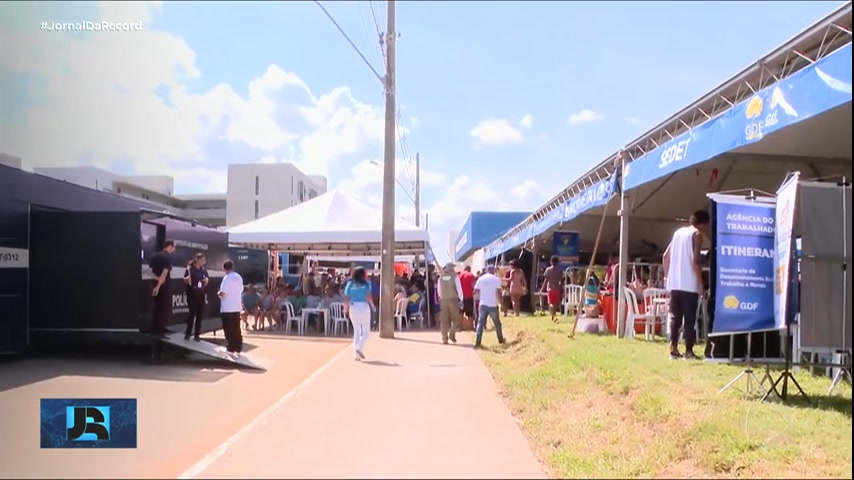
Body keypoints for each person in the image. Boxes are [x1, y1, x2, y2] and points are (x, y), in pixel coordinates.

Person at [662, 209, 710, 360]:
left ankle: (673, 349)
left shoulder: (678, 233)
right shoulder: (696, 235)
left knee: (675, 317)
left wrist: (666, 276)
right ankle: (689, 351)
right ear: (703, 224)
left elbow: (665, 256)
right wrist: (701, 282)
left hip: (674, 282)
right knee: (689, 319)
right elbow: (695, 261)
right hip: (689, 283)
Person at [344, 266, 373, 361]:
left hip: (353, 306)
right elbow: (368, 297)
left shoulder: (350, 284)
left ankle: (356, 355)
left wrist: (345, 309)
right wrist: (373, 306)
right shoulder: (367, 284)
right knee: (366, 331)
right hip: (364, 307)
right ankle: (358, 348)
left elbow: (347, 298)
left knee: (357, 331)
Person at [474, 265, 506, 348]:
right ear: (493, 270)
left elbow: (476, 290)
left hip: (483, 304)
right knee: (497, 323)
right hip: (493, 304)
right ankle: (500, 339)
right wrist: (501, 302)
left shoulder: (481, 279)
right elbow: (498, 292)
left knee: (480, 324)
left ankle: (478, 342)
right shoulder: (496, 279)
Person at [149, 240, 175, 338]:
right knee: (163, 309)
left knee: (156, 307)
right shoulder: (167, 257)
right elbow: (164, 274)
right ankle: (159, 331)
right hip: (163, 286)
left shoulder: (155, 256)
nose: (174, 249)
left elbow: (149, 271)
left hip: (154, 283)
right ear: (170, 246)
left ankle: (154, 328)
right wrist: (158, 286)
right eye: (173, 247)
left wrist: (156, 280)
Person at [217, 260, 244, 357]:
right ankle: (238, 347)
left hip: (227, 307)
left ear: (224, 269)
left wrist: (218, 293)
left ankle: (231, 347)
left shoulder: (227, 278)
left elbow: (223, 293)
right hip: (236, 306)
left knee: (228, 328)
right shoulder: (239, 277)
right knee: (236, 328)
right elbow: (241, 290)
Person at [183, 252, 209, 341]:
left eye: (204, 260)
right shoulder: (190, 269)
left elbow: (206, 280)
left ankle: (197, 335)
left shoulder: (203, 270)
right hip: (192, 294)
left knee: (200, 315)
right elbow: (186, 280)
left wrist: (206, 280)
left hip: (201, 294)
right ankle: (188, 334)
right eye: (201, 260)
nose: (203, 262)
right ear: (196, 260)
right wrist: (187, 280)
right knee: (192, 313)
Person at [437, 262, 463, 345]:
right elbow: (459, 289)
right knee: (455, 319)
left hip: (443, 300)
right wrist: (461, 299)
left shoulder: (440, 277)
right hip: (453, 300)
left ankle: (444, 338)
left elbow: (439, 291)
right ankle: (452, 334)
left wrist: (442, 297)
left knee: (444, 320)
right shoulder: (455, 277)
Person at [541, 256, 563, 323]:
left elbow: (546, 280)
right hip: (557, 289)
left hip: (550, 289)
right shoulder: (559, 270)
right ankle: (554, 315)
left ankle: (553, 315)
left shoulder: (548, 270)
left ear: (551, 262)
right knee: (556, 303)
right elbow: (561, 280)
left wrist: (542, 289)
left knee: (551, 303)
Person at [458, 265, 477, 330]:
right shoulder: (471, 275)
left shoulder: (459, 276)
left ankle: (460, 327)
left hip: (460, 297)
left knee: (460, 312)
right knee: (470, 313)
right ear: (469, 269)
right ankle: (471, 327)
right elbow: (473, 285)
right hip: (468, 296)